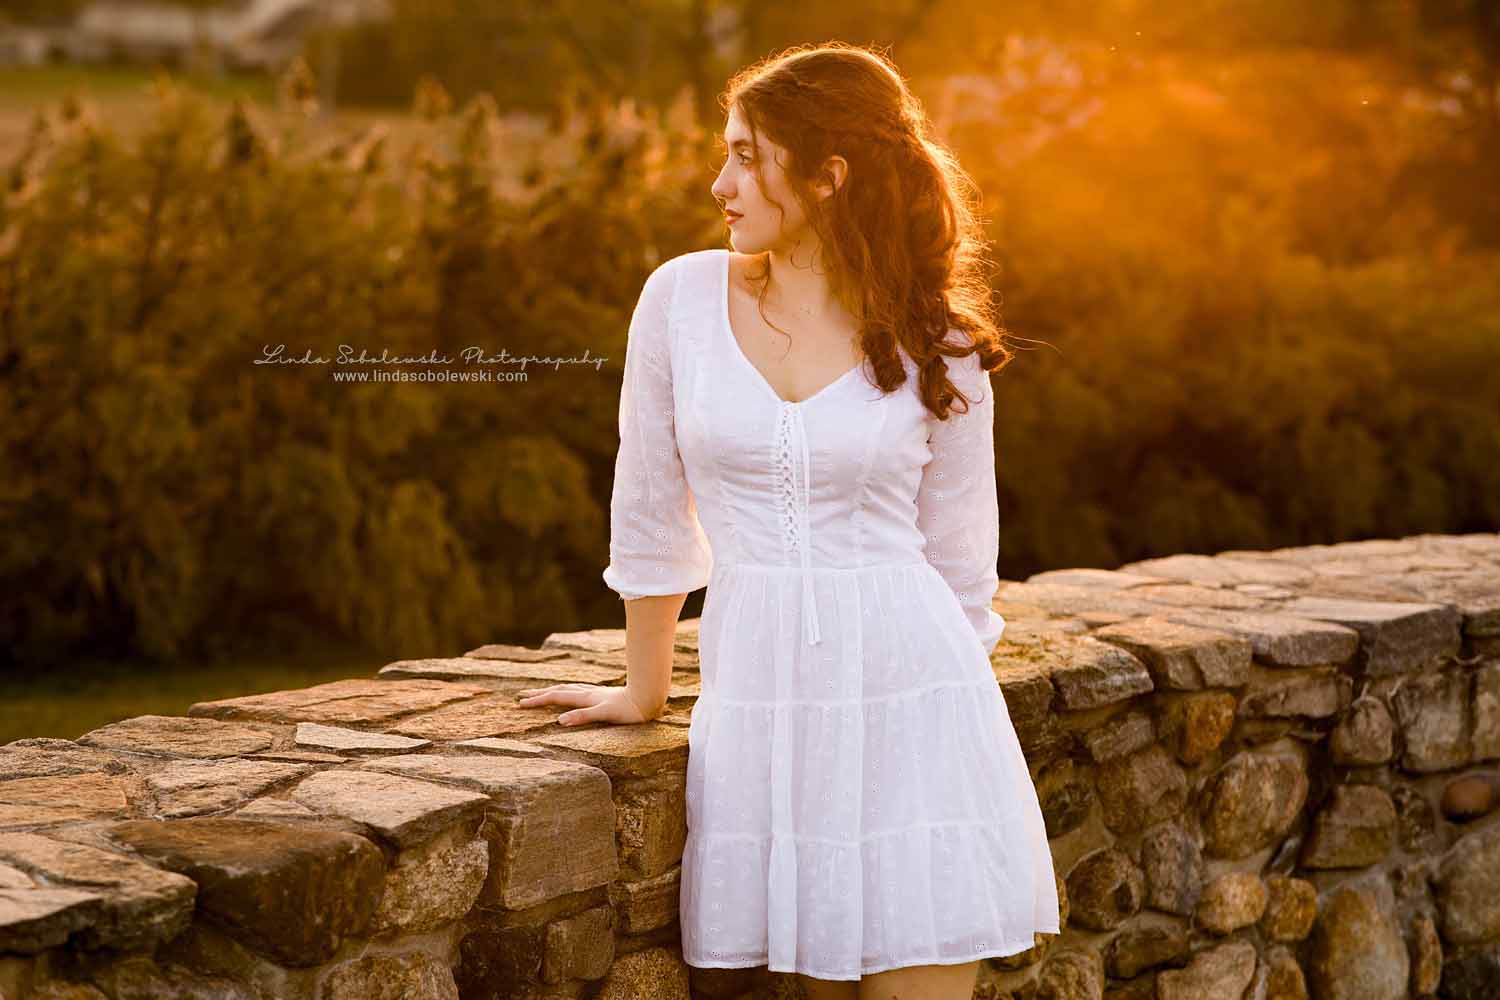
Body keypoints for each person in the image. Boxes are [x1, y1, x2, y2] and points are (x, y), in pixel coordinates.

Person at [516, 42, 1060, 1000]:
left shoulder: (940, 340)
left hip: (912, 708)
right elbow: (648, 510)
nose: (718, 181)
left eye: (744, 155)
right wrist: (645, 687)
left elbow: (964, 568)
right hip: (760, 713)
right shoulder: (680, 299)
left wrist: (939, 726)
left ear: (828, 176)